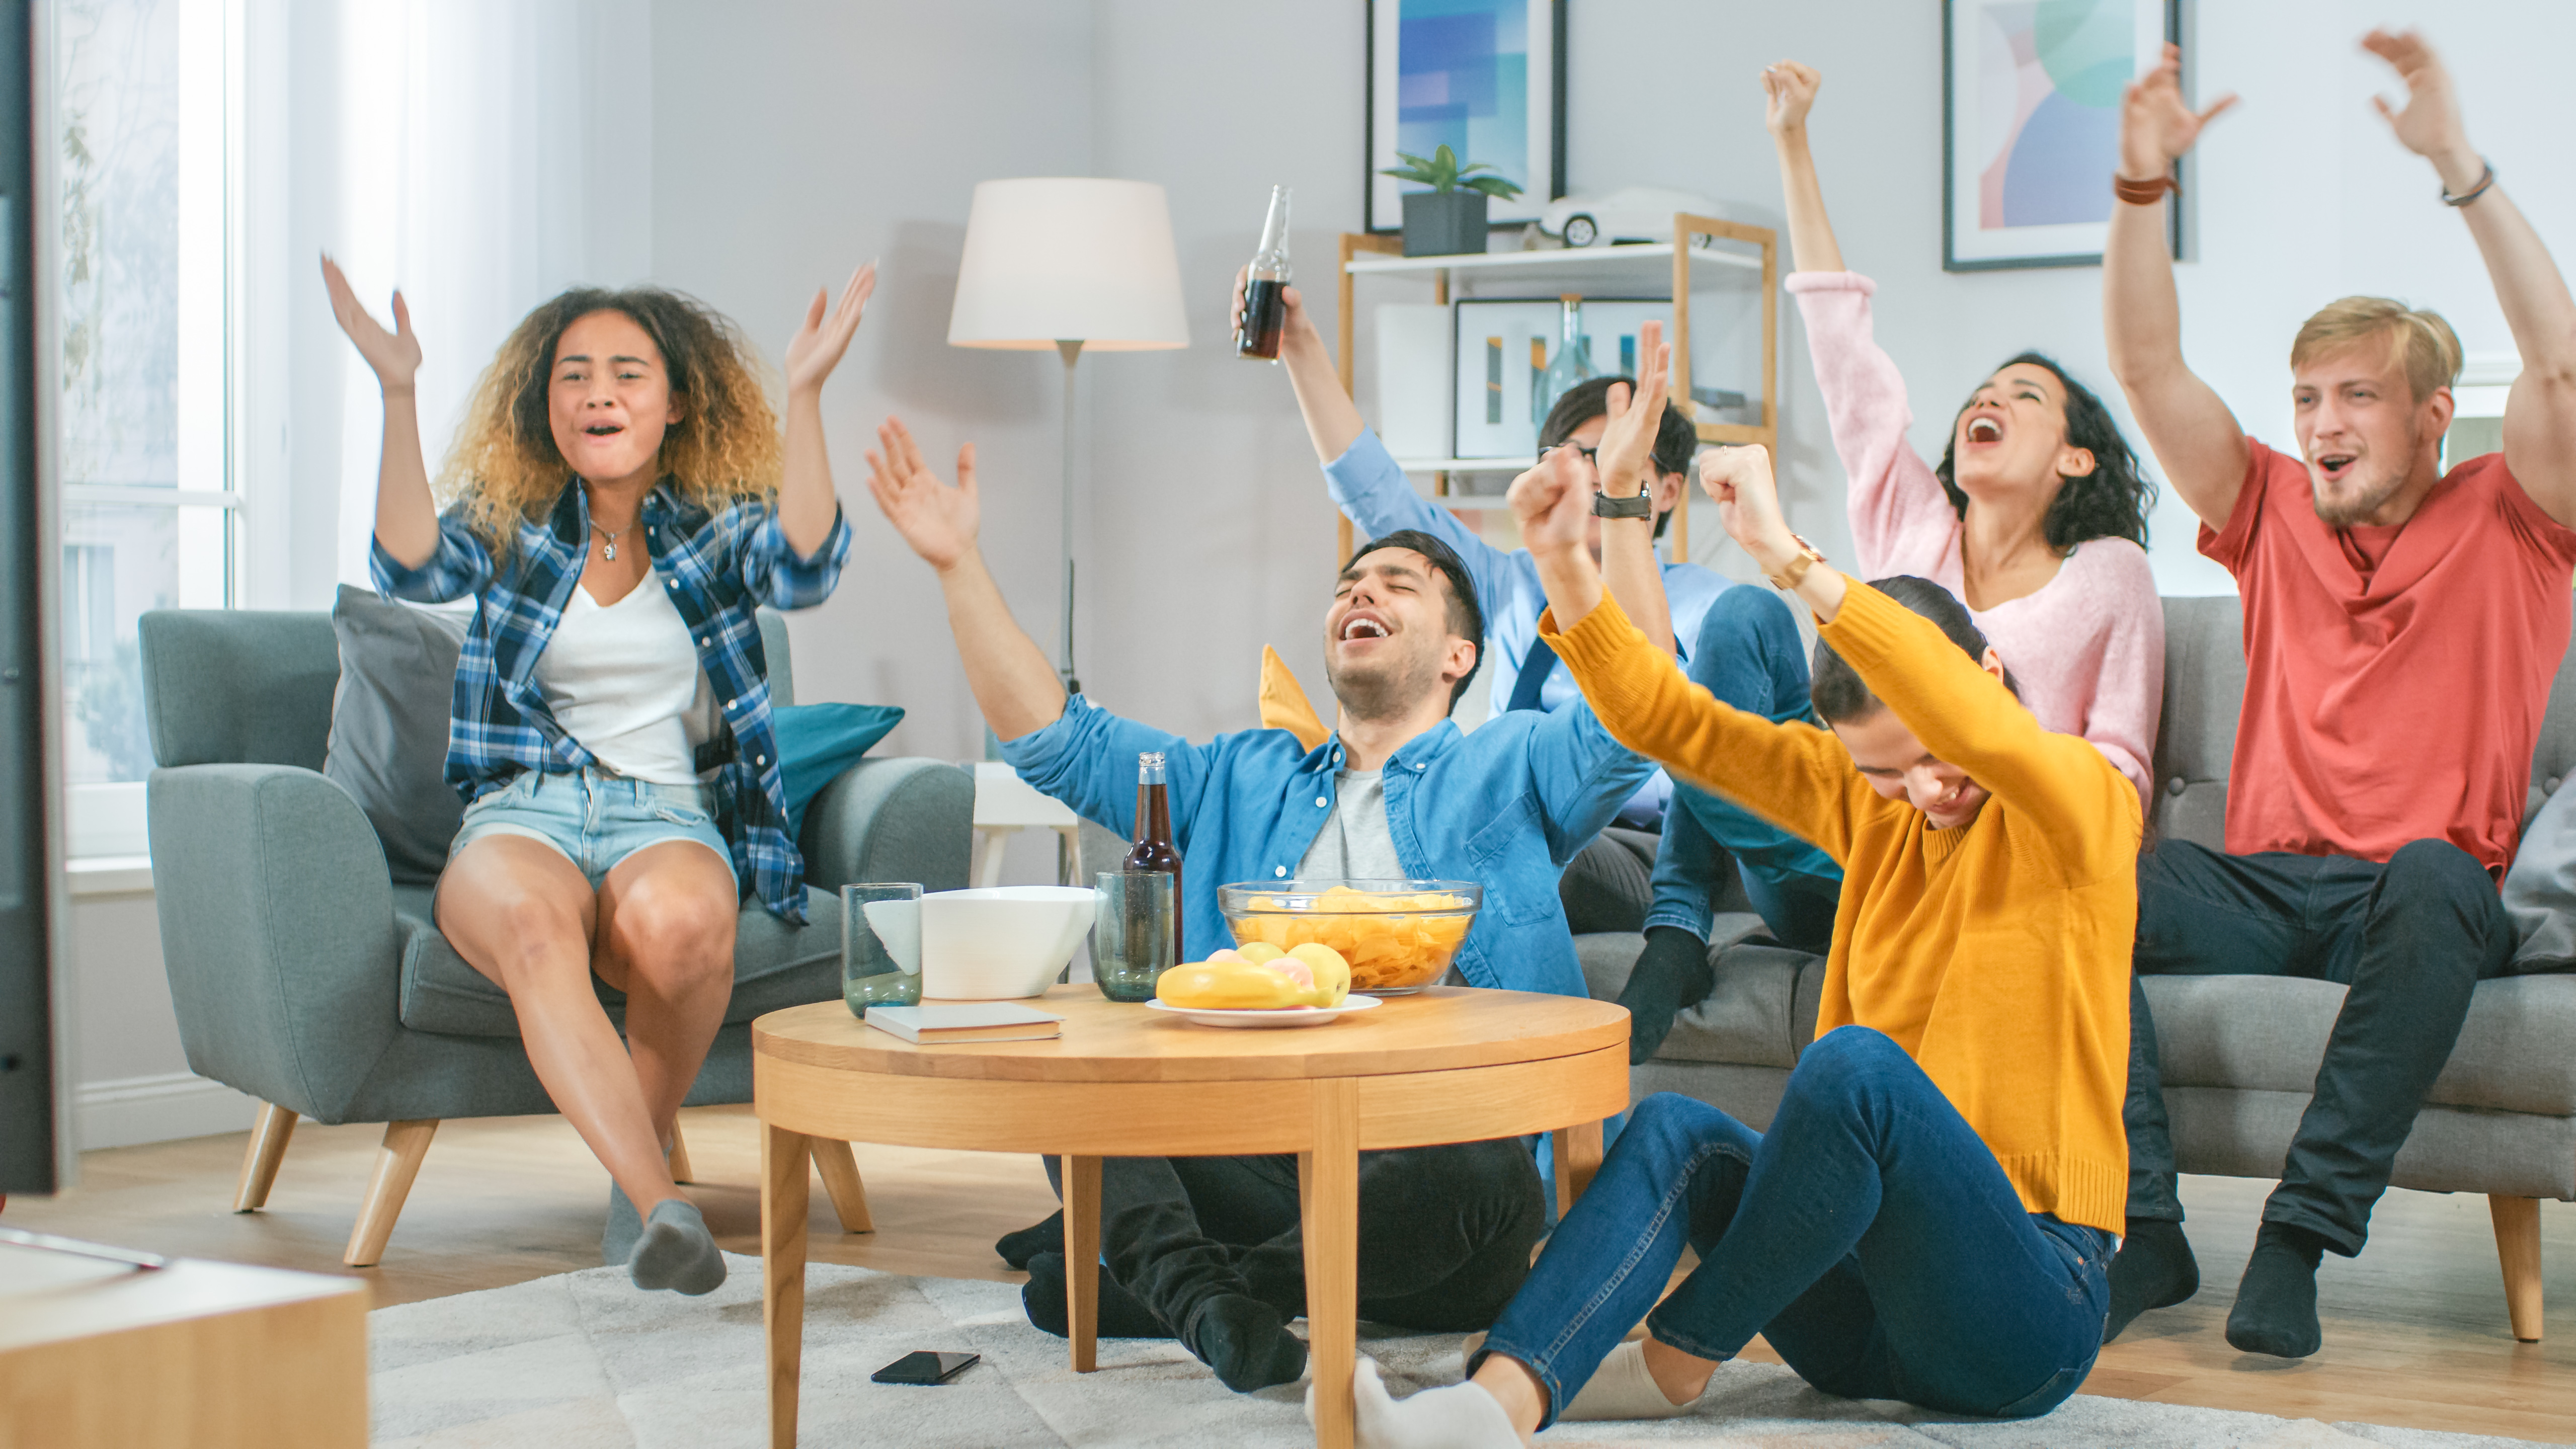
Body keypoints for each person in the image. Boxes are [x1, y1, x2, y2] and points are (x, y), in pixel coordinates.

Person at [1336, 440, 2137, 1445]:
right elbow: (1673, 723)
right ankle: (1491, 1407)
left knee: (1856, 1070)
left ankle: (1674, 1360)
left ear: (1977, 681)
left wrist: (1785, 555)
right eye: (1886, 776)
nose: (1924, 791)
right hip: (1860, 1322)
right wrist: (1562, 562)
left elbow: (1981, 729)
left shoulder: (2078, 808)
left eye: (1933, 754)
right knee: (1673, 1129)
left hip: (2023, 1314)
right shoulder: (1875, 815)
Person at [863, 414, 1655, 1392]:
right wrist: (956, 565)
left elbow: (1638, 717)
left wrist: (1615, 516)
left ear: (1459, 656)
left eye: (1397, 584)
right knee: (1073, 1091)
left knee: (1481, 1170)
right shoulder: (1237, 774)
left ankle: (1184, 1285)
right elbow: (1057, 744)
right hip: (1261, 1145)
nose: (1359, 590)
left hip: (1436, 1177)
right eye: (1347, 587)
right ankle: (1212, 1307)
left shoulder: (1513, 761)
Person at [2100, 32, 2576, 1358]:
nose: (2322, 424)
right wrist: (2140, 193)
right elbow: (2146, 371)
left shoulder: (2520, 516)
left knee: (2436, 877)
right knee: (2079, 870)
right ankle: (2147, 1230)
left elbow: (2563, 373)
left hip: (2409, 901)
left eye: (2357, 395)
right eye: (2307, 397)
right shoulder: (2266, 510)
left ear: (2434, 415)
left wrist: (2458, 168)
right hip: (2264, 882)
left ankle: (2299, 1240)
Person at [324, 258, 873, 1295]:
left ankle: (640, 1199)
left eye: (627, 373)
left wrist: (805, 394)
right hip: (518, 815)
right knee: (536, 929)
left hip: (663, 812)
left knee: (684, 929)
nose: (598, 394)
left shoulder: (711, 529)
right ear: (545, 405)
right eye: (573, 375)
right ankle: (665, 1203)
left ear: (674, 404)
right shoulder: (514, 519)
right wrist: (397, 391)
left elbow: (804, 569)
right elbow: (411, 568)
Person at [1248, 273, 1840, 1062]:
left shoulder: (1702, 601)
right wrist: (1301, 349)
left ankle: (1678, 932)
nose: (1576, 476)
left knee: (1676, 718)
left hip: (1666, 847)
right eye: (1561, 459)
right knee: (1466, 821)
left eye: (1600, 459)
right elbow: (1376, 496)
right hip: (1549, 836)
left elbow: (1686, 744)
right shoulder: (1510, 586)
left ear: (1664, 490)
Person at [1762, 59, 2164, 807]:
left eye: (2026, 395)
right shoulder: (1913, 527)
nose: (1992, 397)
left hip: (2011, 852)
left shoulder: (2112, 574)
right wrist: (1792, 143)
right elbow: (1847, 362)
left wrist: (1983, 778)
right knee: (1745, 622)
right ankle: (1685, 901)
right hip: (1869, 835)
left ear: (2076, 458)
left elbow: (2122, 772)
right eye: (1986, 391)